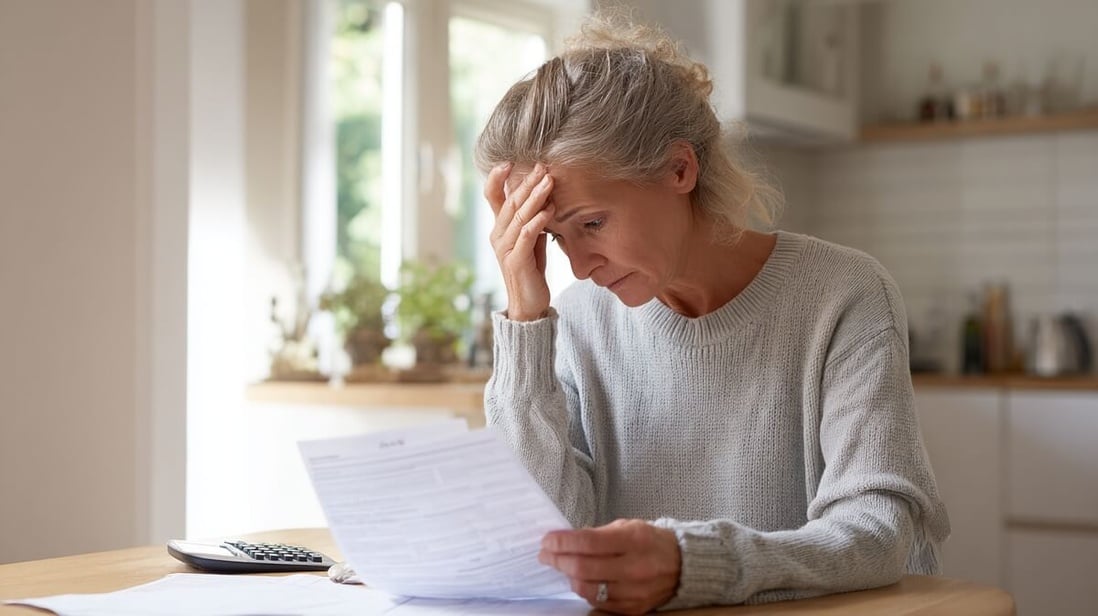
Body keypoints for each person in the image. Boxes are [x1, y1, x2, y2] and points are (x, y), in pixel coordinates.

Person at [473, 12, 950, 616]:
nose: (580, 265)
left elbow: (879, 534)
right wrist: (524, 321)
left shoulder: (842, 295)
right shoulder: (575, 323)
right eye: (555, 238)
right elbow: (543, 542)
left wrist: (692, 565)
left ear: (680, 169)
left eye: (592, 224)